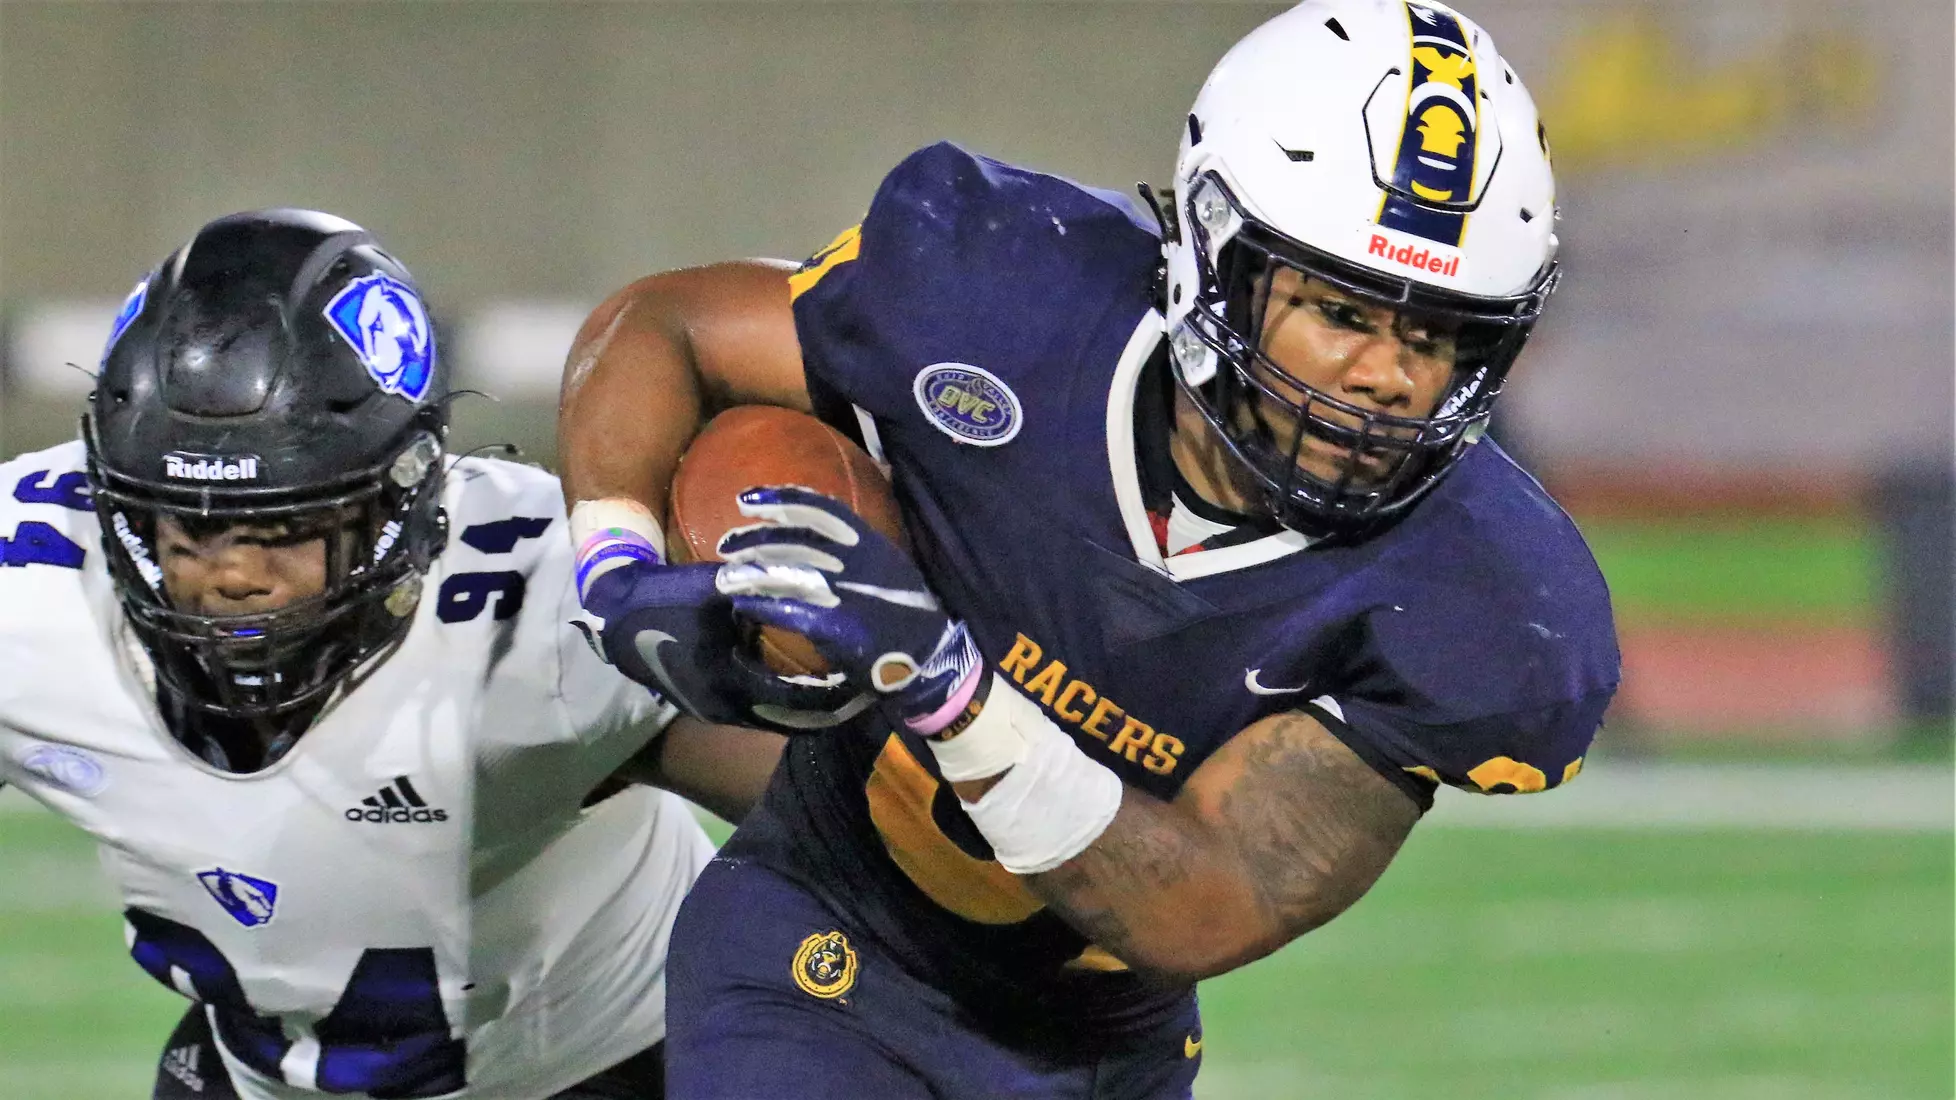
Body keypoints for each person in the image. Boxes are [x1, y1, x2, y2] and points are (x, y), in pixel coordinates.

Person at [558, 1, 1620, 1096]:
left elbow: (1210, 898)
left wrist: (948, 685)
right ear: (1219, 257)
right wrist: (617, 565)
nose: (1389, 377)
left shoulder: (1484, 595)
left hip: (1101, 1056)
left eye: (1439, 334)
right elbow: (668, 325)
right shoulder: (1008, 296)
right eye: (1343, 312)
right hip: (819, 952)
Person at [0, 208, 782, 1100]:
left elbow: (856, 818)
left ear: (398, 501)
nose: (235, 575)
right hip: (261, 1076)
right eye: (192, 527)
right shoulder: (31, 591)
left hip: (612, 1061)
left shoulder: (543, 603)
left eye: (286, 527)